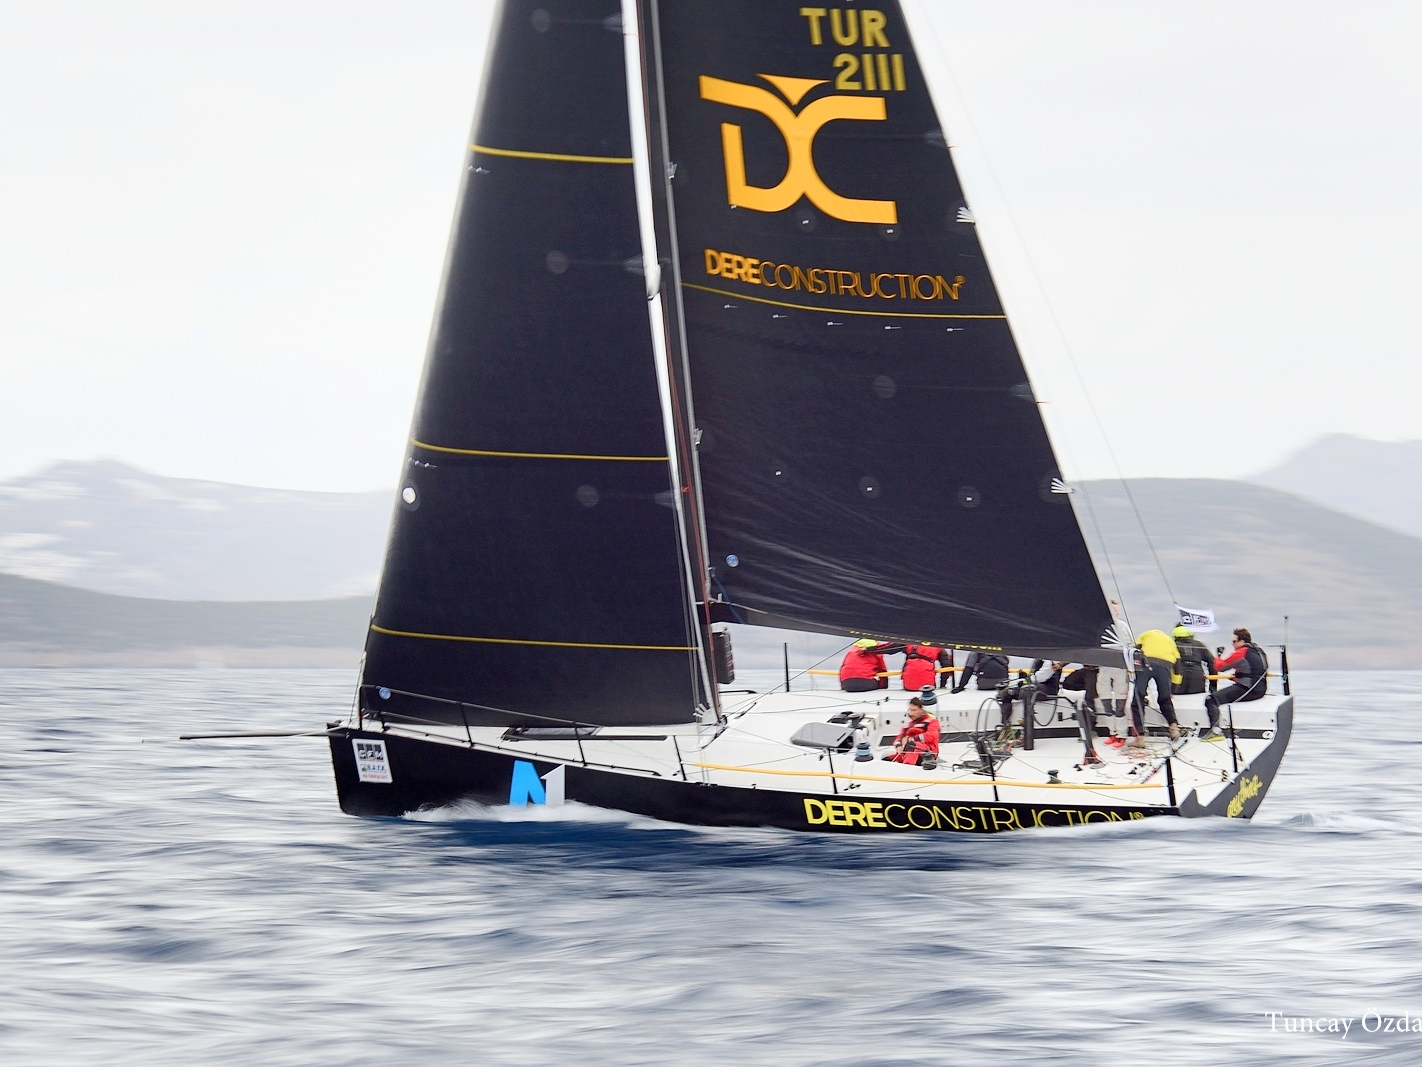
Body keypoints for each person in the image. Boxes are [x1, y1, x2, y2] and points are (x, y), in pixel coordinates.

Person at [1203, 627, 1268, 740]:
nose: (1232, 644)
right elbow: (1254, 671)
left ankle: (1215, 732)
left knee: (1211, 699)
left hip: (1248, 690)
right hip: (1260, 689)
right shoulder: (1259, 651)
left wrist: (1218, 656)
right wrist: (1237, 677)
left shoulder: (1241, 652)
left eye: (1234, 641)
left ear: (1242, 641)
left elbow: (1220, 667)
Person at [1131, 629, 1182, 745]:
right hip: (1165, 665)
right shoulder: (1170, 641)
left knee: (1138, 699)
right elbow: (1178, 667)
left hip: (1146, 662)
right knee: (1165, 699)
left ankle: (1140, 738)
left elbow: (1134, 652)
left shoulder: (1144, 634)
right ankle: (1174, 727)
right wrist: (1173, 689)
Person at [884, 695, 939, 766]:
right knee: (886, 758)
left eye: (914, 710)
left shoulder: (931, 721)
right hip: (908, 752)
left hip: (927, 753)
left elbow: (931, 736)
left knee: (912, 746)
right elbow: (899, 737)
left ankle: (907, 768)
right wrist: (898, 746)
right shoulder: (908, 725)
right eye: (910, 710)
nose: (911, 713)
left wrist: (912, 739)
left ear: (921, 710)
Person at [1172, 625, 1213, 695]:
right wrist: (1213, 686)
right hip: (1197, 678)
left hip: (1178, 679)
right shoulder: (1199, 645)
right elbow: (1212, 662)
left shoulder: (1172, 645)